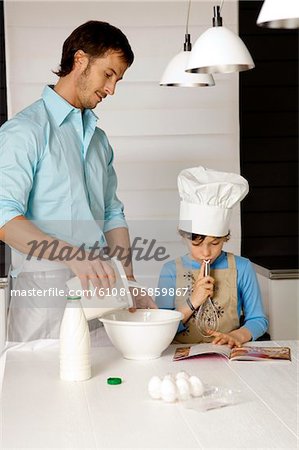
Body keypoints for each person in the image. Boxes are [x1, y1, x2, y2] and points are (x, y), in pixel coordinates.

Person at [0, 21, 156, 342]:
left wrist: (127, 281)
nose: (111, 89)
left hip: (102, 291)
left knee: (102, 383)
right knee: (41, 386)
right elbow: (4, 217)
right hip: (44, 297)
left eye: (118, 80)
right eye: (109, 74)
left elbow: (113, 214)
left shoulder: (99, 141)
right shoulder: (24, 131)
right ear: (81, 60)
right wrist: (73, 256)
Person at [156, 166, 268, 348]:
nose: (206, 252)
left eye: (215, 243)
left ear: (225, 238)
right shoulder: (170, 270)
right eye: (197, 244)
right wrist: (194, 301)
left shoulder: (242, 267)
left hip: (226, 354)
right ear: (184, 236)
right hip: (180, 356)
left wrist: (238, 336)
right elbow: (159, 328)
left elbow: (258, 320)